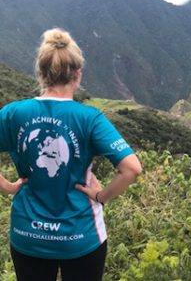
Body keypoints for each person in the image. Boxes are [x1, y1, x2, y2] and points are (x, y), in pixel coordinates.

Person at [0, 28, 142, 281]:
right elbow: (131, 168)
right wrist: (101, 196)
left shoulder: (13, 113)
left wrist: (8, 187)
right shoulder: (90, 118)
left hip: (27, 235)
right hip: (80, 236)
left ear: (40, 73)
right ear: (78, 75)